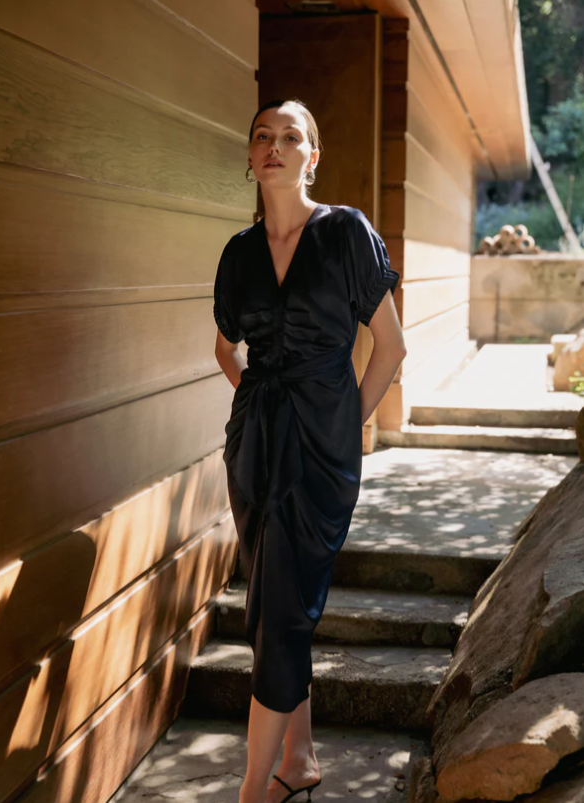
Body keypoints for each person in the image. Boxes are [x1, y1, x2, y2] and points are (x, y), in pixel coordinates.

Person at [213, 98, 407, 803]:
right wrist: (254, 400)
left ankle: (250, 788)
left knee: (282, 607)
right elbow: (224, 347)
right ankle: (298, 757)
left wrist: (345, 422)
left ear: (312, 155)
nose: (273, 145)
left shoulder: (347, 233)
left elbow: (391, 346)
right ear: (250, 156)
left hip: (322, 451)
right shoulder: (238, 253)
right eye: (261, 135)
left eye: (289, 136)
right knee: (274, 603)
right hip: (253, 447)